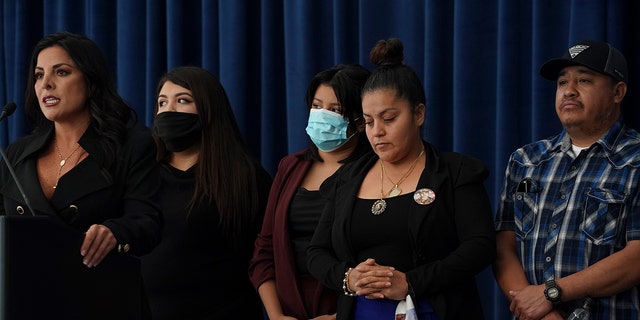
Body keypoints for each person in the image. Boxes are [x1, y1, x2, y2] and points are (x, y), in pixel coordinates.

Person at [306, 38, 496, 320]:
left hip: (435, 310)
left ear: (418, 114)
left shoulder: (455, 172)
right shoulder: (347, 177)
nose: (377, 131)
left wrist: (412, 283)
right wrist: (348, 277)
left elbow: (480, 246)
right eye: (369, 122)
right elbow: (316, 252)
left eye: (389, 118)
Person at [0, 32, 162, 317]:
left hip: (103, 301)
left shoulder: (132, 145)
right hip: (29, 303)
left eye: (61, 72)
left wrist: (115, 231)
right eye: (38, 75)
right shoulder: (17, 153)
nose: (45, 84)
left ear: (91, 81)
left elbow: (147, 221)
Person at [493, 40, 640, 320]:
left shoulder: (635, 160)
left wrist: (551, 292)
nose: (569, 91)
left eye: (584, 80)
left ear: (618, 92)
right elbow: (503, 247)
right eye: (562, 82)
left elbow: (636, 259)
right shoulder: (526, 160)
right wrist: (539, 311)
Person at [141, 66, 273, 319]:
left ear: (208, 109)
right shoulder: (141, 174)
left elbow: (267, 257)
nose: (169, 110)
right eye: (162, 102)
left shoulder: (244, 177)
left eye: (182, 101)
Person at [248, 64, 371, 320]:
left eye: (336, 110)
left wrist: (343, 315)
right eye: (317, 106)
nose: (323, 116)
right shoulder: (290, 166)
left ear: (361, 121)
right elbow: (265, 249)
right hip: (288, 307)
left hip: (353, 309)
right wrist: (275, 314)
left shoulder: (373, 171)